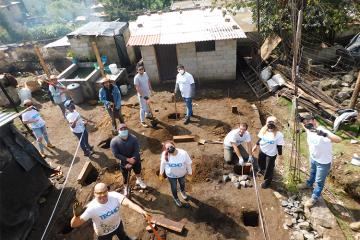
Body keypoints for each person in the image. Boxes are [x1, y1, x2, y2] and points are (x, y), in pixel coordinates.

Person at [70, 182, 149, 240]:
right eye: (99, 193)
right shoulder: (91, 208)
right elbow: (74, 225)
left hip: (118, 225)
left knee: (123, 236)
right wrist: (76, 216)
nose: (102, 195)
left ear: (107, 191)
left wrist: (142, 211)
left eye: (104, 192)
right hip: (103, 234)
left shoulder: (114, 195)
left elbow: (129, 204)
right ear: (94, 193)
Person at [298, 114, 341, 208]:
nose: (306, 124)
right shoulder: (309, 129)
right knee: (312, 173)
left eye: (308, 121)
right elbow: (305, 127)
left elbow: (339, 139)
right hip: (313, 158)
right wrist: (301, 121)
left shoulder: (322, 130)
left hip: (323, 162)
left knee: (319, 181)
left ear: (314, 120)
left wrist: (324, 134)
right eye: (305, 123)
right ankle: (309, 184)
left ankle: (314, 197)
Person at [110, 124, 147, 196]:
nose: (123, 130)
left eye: (125, 129)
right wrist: (127, 160)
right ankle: (125, 187)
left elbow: (137, 150)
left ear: (127, 129)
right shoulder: (114, 141)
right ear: (118, 131)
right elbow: (116, 154)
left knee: (138, 171)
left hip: (135, 159)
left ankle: (139, 180)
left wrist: (133, 159)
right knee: (125, 177)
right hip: (124, 162)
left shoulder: (133, 138)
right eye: (121, 129)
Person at [252, 116, 284, 189]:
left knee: (269, 168)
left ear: (276, 124)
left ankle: (267, 182)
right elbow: (260, 138)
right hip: (262, 150)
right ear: (266, 123)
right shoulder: (263, 130)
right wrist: (256, 145)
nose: (270, 124)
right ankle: (261, 170)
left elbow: (279, 146)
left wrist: (280, 156)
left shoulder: (278, 135)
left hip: (271, 154)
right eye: (269, 122)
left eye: (272, 122)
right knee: (260, 162)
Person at [159, 140, 192, 207]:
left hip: (182, 174)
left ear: (174, 145)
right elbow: (162, 164)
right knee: (174, 187)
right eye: (167, 148)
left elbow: (188, 164)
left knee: (182, 183)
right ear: (166, 150)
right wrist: (161, 174)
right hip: (171, 175)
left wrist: (190, 173)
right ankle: (176, 198)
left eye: (171, 146)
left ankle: (182, 192)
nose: (170, 148)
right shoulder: (164, 155)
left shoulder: (183, 153)